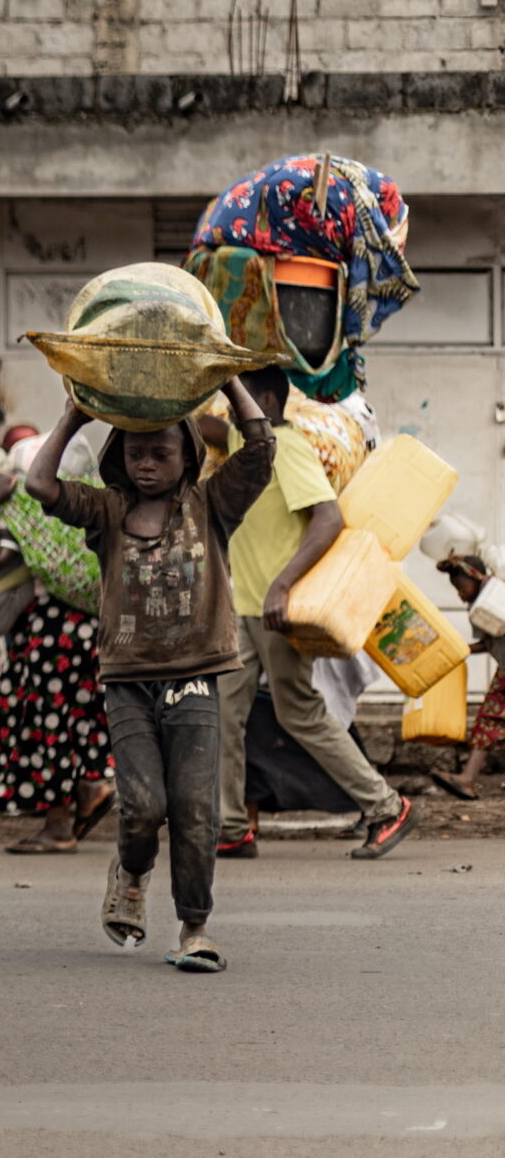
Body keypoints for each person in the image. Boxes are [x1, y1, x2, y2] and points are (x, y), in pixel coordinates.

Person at [30, 383, 275, 973]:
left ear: (188, 457)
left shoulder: (210, 504)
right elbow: (40, 485)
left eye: (160, 452)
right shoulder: (108, 511)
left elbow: (262, 447)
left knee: (195, 807)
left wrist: (225, 380)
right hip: (128, 681)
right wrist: (72, 418)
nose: (146, 463)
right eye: (135, 452)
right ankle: (132, 872)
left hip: (196, 678)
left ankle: (195, 928)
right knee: (141, 805)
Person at [215, 367, 417, 861]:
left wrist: (283, 585)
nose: (228, 407)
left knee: (299, 713)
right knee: (222, 713)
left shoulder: (284, 446)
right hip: (245, 608)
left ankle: (387, 806)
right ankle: (231, 826)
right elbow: (205, 427)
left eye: (237, 397)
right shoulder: (248, 447)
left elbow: (328, 518)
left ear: (262, 399)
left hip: (276, 608)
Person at [0, 458, 116, 856]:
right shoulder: (90, 504)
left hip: (50, 635)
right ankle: (91, 785)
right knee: (77, 719)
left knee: (43, 724)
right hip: (87, 632)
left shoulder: (32, 511)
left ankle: (58, 825)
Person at [429, 555, 503, 801]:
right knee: (488, 721)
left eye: (461, 588)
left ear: (476, 578)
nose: (460, 595)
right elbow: (489, 642)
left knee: (489, 720)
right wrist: (462, 649)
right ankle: (467, 779)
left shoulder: (493, 598)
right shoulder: (483, 604)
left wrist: (463, 650)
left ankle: (468, 779)